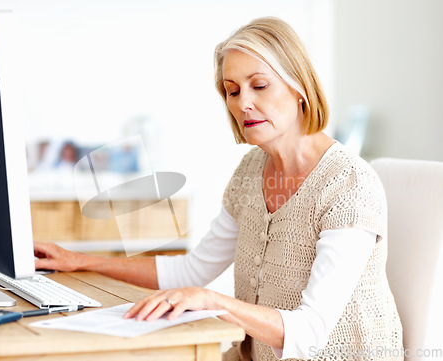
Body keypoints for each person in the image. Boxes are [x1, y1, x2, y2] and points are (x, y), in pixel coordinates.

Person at [34, 17, 403, 361]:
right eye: (232, 91)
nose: (243, 103)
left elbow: (309, 333)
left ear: (299, 87)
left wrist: (212, 301)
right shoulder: (249, 172)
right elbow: (191, 272)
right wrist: (80, 261)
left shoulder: (348, 184)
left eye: (259, 85)